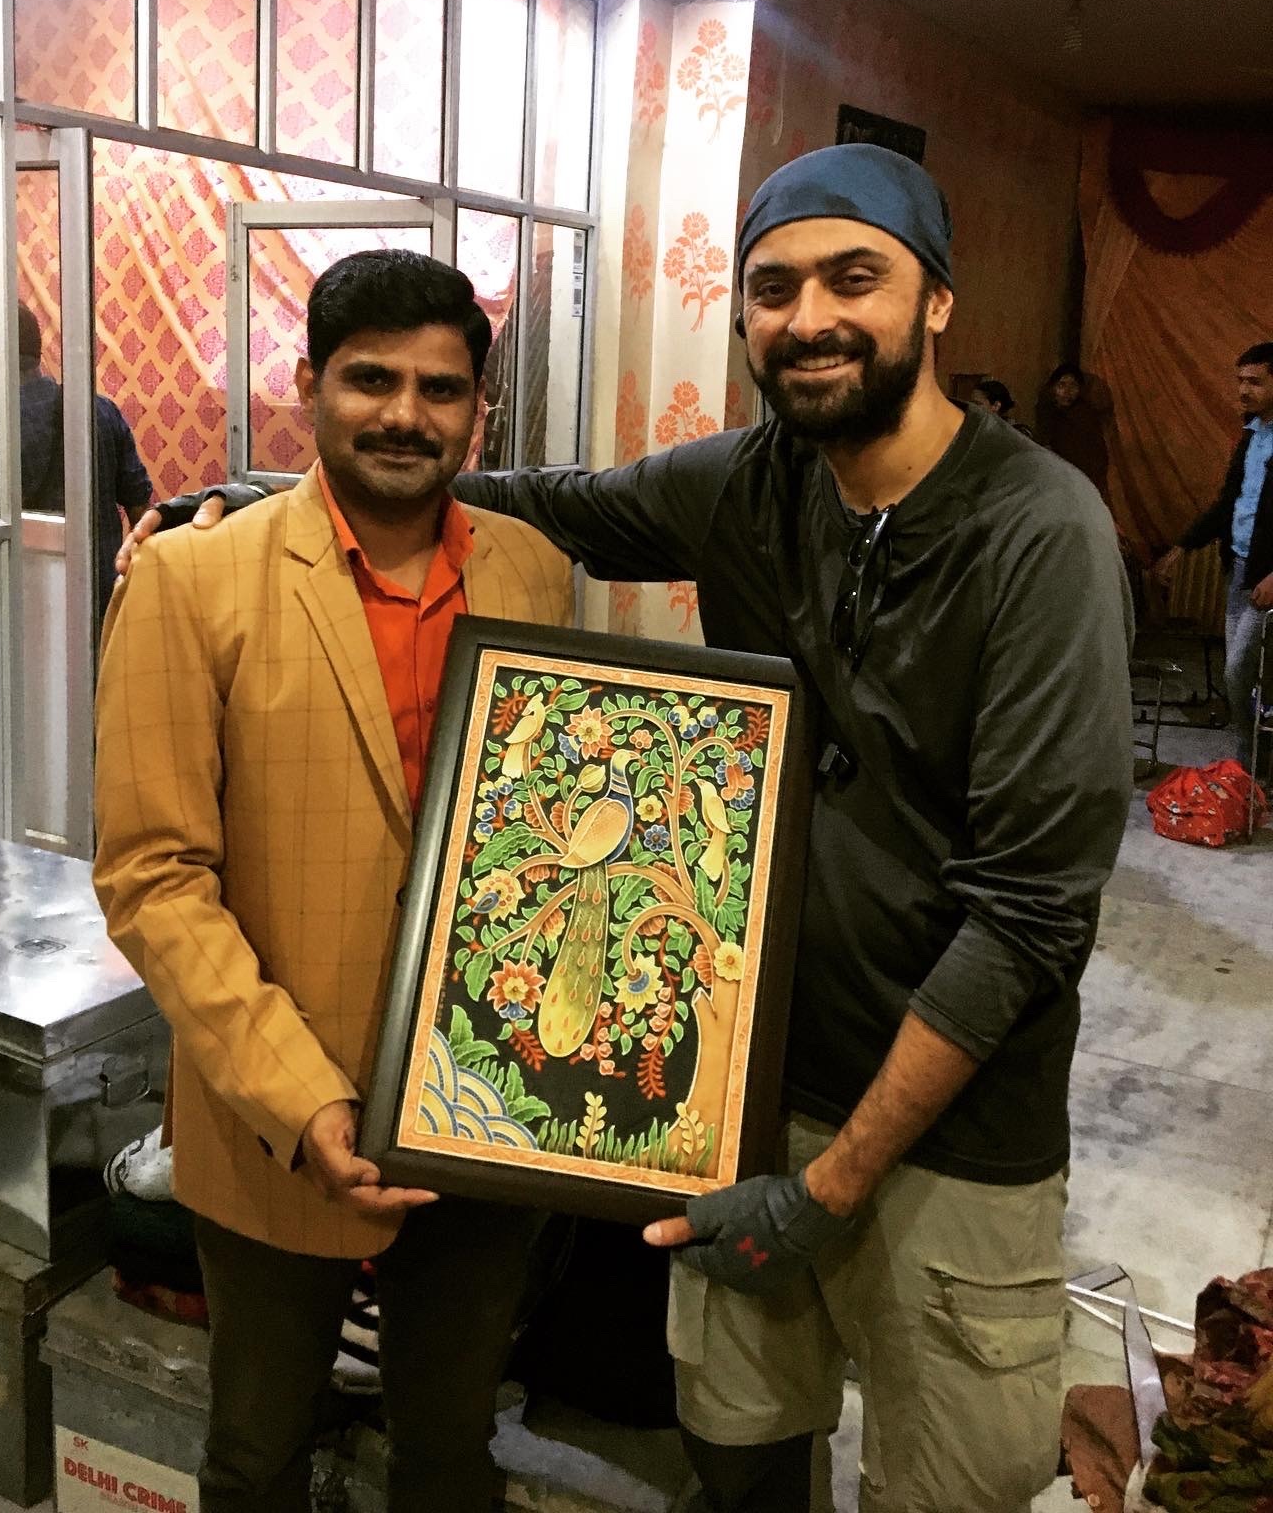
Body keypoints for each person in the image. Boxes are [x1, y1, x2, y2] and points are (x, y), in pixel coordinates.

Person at [128, 148, 1134, 1512]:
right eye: (774, 288)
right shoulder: (750, 486)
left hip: (941, 1131)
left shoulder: (1041, 530)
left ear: (938, 300)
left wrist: (830, 1186)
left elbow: (1029, 911)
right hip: (739, 1094)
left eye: (855, 279)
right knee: (737, 1454)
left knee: (945, 1483)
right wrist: (258, 495)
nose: (811, 318)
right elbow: (544, 501)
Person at [92, 251, 573, 1513]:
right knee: (257, 1450)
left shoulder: (534, 570)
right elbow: (153, 877)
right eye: (371, 380)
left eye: (440, 388)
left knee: (451, 1447)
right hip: (274, 1122)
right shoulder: (191, 579)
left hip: (488, 1111)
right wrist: (302, 1100)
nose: (406, 414)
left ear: (480, 411)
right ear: (308, 385)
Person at [0, 302, 152, 611]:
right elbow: (140, 508)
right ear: (38, 352)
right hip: (99, 595)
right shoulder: (100, 411)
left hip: (19, 598)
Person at [1155, 341, 1273, 770]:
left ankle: (1252, 763)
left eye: (1254, 382)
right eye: (1240, 380)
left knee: (1239, 673)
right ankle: (1250, 766)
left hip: (1266, 578)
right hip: (1238, 569)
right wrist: (1183, 546)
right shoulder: (1252, 434)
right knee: (1240, 674)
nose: (1243, 390)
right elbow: (1229, 503)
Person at [1036, 362, 1111, 498]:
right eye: (1062, 385)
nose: (1067, 392)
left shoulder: (1084, 415)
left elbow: (1096, 455)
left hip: (1082, 481)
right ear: (1053, 387)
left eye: (1073, 386)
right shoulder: (1046, 412)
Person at [969, 375, 1034, 439]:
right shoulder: (979, 428)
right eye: (971, 403)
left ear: (996, 406)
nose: (972, 407)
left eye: (977, 404)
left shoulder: (1018, 433)